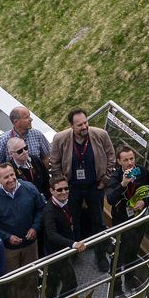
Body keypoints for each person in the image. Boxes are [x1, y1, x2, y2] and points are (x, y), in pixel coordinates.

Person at [48, 108, 117, 267]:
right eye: (79, 125)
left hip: (95, 186)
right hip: (72, 188)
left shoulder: (100, 135)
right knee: (73, 221)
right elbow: (55, 163)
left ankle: (100, 256)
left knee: (98, 221)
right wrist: (63, 186)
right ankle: (74, 253)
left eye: (85, 122)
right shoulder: (60, 139)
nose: (84, 127)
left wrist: (105, 179)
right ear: (71, 126)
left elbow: (111, 157)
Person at [0, 160, 44, 298]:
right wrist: (7, 237)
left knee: (31, 276)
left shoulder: (29, 188)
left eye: (12, 174)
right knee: (13, 280)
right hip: (9, 249)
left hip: (30, 245)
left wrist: (35, 227)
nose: (10, 179)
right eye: (5, 177)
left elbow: (41, 210)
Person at [105, 148, 149, 291]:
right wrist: (123, 184)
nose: (130, 163)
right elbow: (110, 199)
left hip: (138, 220)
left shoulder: (142, 172)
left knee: (133, 251)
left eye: (132, 159)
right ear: (119, 161)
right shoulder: (116, 177)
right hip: (122, 222)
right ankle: (115, 285)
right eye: (126, 160)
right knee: (119, 254)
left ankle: (130, 279)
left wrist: (145, 202)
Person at [39, 174, 87, 298]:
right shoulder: (50, 211)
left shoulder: (67, 202)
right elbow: (52, 234)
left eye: (66, 188)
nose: (64, 192)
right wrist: (73, 244)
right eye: (59, 190)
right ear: (52, 191)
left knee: (53, 284)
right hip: (56, 253)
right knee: (71, 283)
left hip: (64, 249)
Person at [0, 106, 51, 177]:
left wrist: (43, 176)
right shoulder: (3, 141)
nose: (31, 119)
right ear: (16, 122)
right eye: (26, 117)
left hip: (38, 179)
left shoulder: (37, 134)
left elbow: (46, 158)